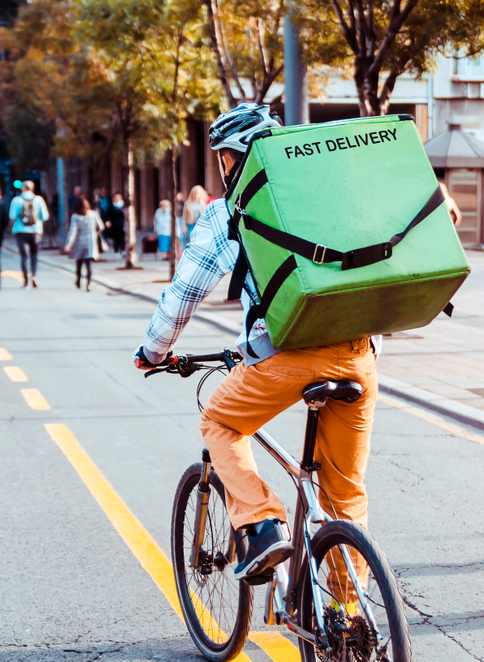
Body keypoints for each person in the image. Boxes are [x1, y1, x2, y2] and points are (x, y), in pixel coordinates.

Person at [133, 104, 380, 582]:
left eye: (225, 160)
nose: (224, 171)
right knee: (344, 494)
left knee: (220, 422)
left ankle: (264, 524)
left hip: (286, 356)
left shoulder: (230, 212)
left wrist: (153, 352)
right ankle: (351, 626)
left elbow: (184, 294)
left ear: (240, 158)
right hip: (358, 355)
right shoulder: (328, 197)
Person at [8, 180, 50, 289]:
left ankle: (25, 282)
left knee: (24, 256)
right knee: (34, 255)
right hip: (35, 231)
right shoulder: (39, 199)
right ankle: (34, 276)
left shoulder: (16, 200)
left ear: (23, 188)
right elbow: (45, 216)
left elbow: (12, 216)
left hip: (20, 231)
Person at [64, 196, 106, 291]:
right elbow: (101, 226)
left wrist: (69, 244)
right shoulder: (93, 214)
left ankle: (78, 281)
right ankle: (88, 284)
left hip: (79, 241)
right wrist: (95, 232)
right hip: (91, 241)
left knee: (79, 263)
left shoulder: (75, 216)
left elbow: (73, 231)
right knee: (88, 264)